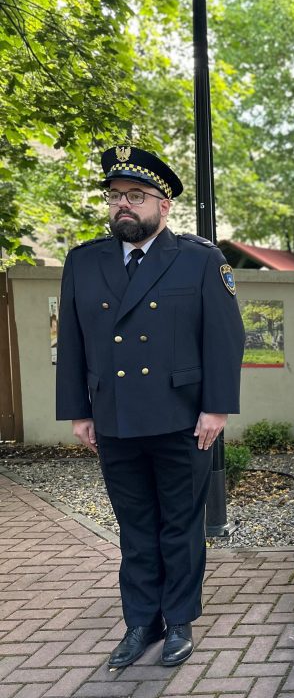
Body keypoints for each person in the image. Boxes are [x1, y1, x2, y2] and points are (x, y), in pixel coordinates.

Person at [56, 146, 245, 668]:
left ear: (163, 207)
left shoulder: (199, 258)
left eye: (136, 197)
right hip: (114, 417)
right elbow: (71, 341)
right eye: (116, 197)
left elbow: (225, 339)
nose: (123, 206)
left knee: (180, 523)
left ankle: (179, 621)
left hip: (183, 417)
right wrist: (79, 410)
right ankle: (141, 621)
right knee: (134, 525)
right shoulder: (83, 261)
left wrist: (217, 408)